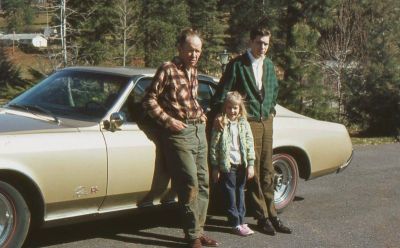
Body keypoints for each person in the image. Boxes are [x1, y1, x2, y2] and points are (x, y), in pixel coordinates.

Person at [210, 25, 292, 236]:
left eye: (266, 43)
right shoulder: (237, 65)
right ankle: (261, 216)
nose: (263, 47)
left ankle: (273, 214)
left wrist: (270, 110)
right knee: (252, 170)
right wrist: (221, 113)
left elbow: (273, 91)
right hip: (249, 123)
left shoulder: (270, 65)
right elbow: (222, 93)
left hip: (266, 121)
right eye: (259, 43)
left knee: (267, 169)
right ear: (251, 41)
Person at [142, 28, 219, 248]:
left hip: (198, 132)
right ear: (180, 48)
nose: (194, 55)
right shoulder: (167, 69)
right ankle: (192, 236)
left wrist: (201, 112)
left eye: (198, 51)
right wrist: (168, 121)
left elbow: (190, 100)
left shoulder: (193, 71)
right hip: (178, 135)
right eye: (190, 50)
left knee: (204, 184)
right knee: (189, 184)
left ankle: (200, 230)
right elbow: (148, 100)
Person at [209, 91, 256, 236]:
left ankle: (241, 221)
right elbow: (214, 146)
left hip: (241, 164)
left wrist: (251, 164)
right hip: (228, 165)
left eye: (235, 108)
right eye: (229, 108)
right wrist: (215, 167)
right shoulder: (221, 123)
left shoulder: (244, 124)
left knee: (240, 192)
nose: (232, 111)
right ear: (225, 108)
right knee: (230, 194)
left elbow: (249, 144)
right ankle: (234, 223)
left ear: (240, 108)